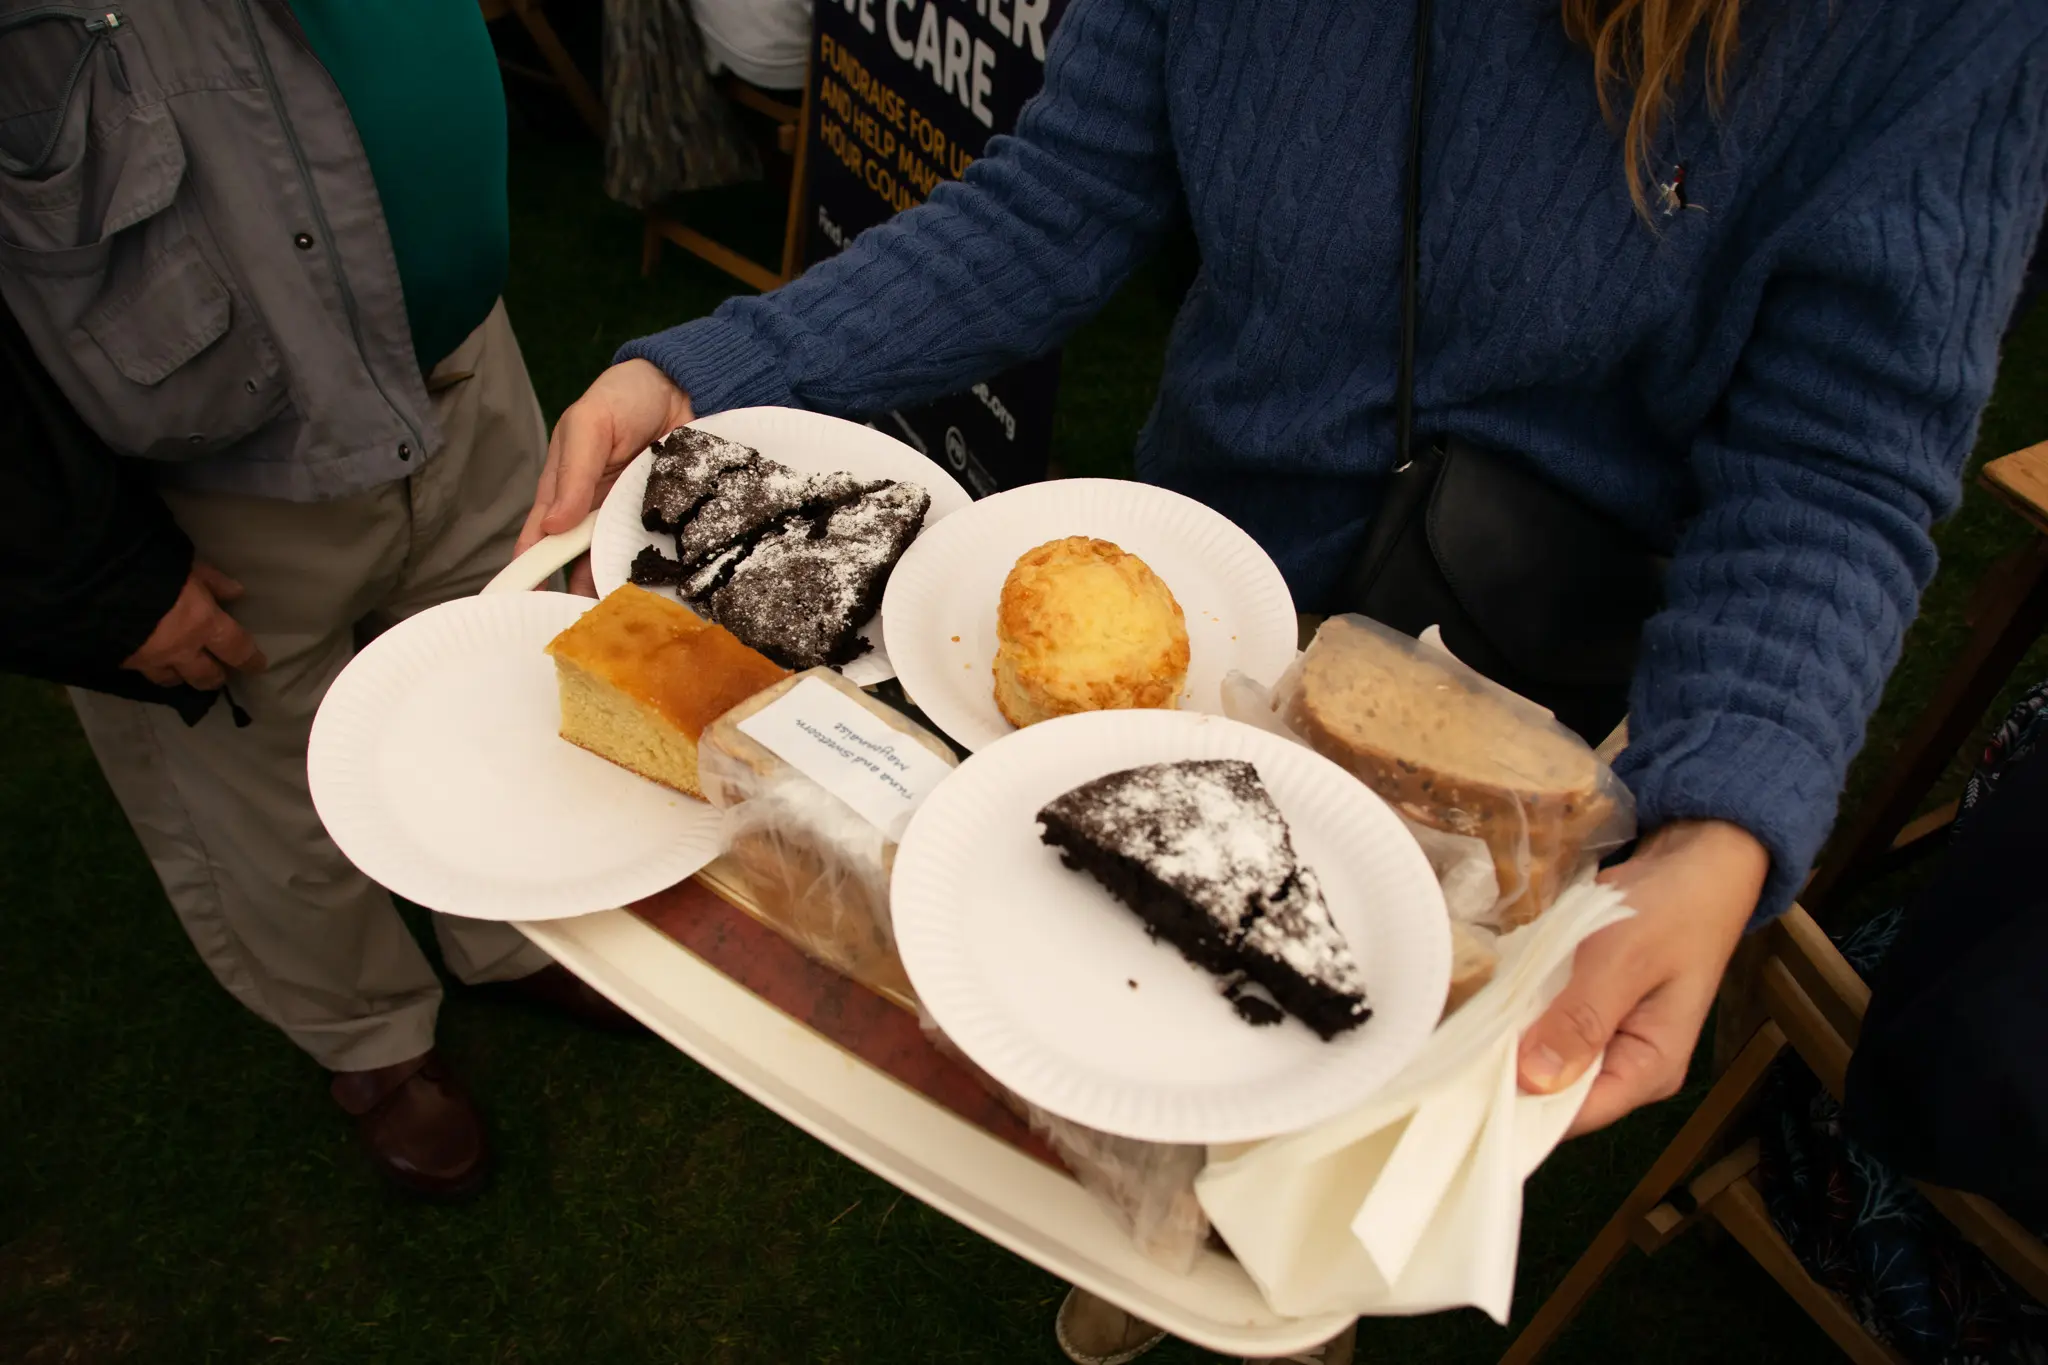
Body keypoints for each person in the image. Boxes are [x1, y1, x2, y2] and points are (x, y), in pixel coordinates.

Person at [523, 0, 2047, 1356]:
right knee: (1122, 1037)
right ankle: (1145, 1235)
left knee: (1291, 1188)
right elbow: (1062, 196)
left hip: (1492, 741)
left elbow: (1837, 461)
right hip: (1197, 627)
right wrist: (722, 367)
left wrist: (1727, 817)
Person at [0, 1, 635, 1201]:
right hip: (198, 476)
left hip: (455, 366)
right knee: (261, 788)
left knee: (494, 681)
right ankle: (369, 1039)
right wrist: (85, 573)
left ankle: (505, 935)